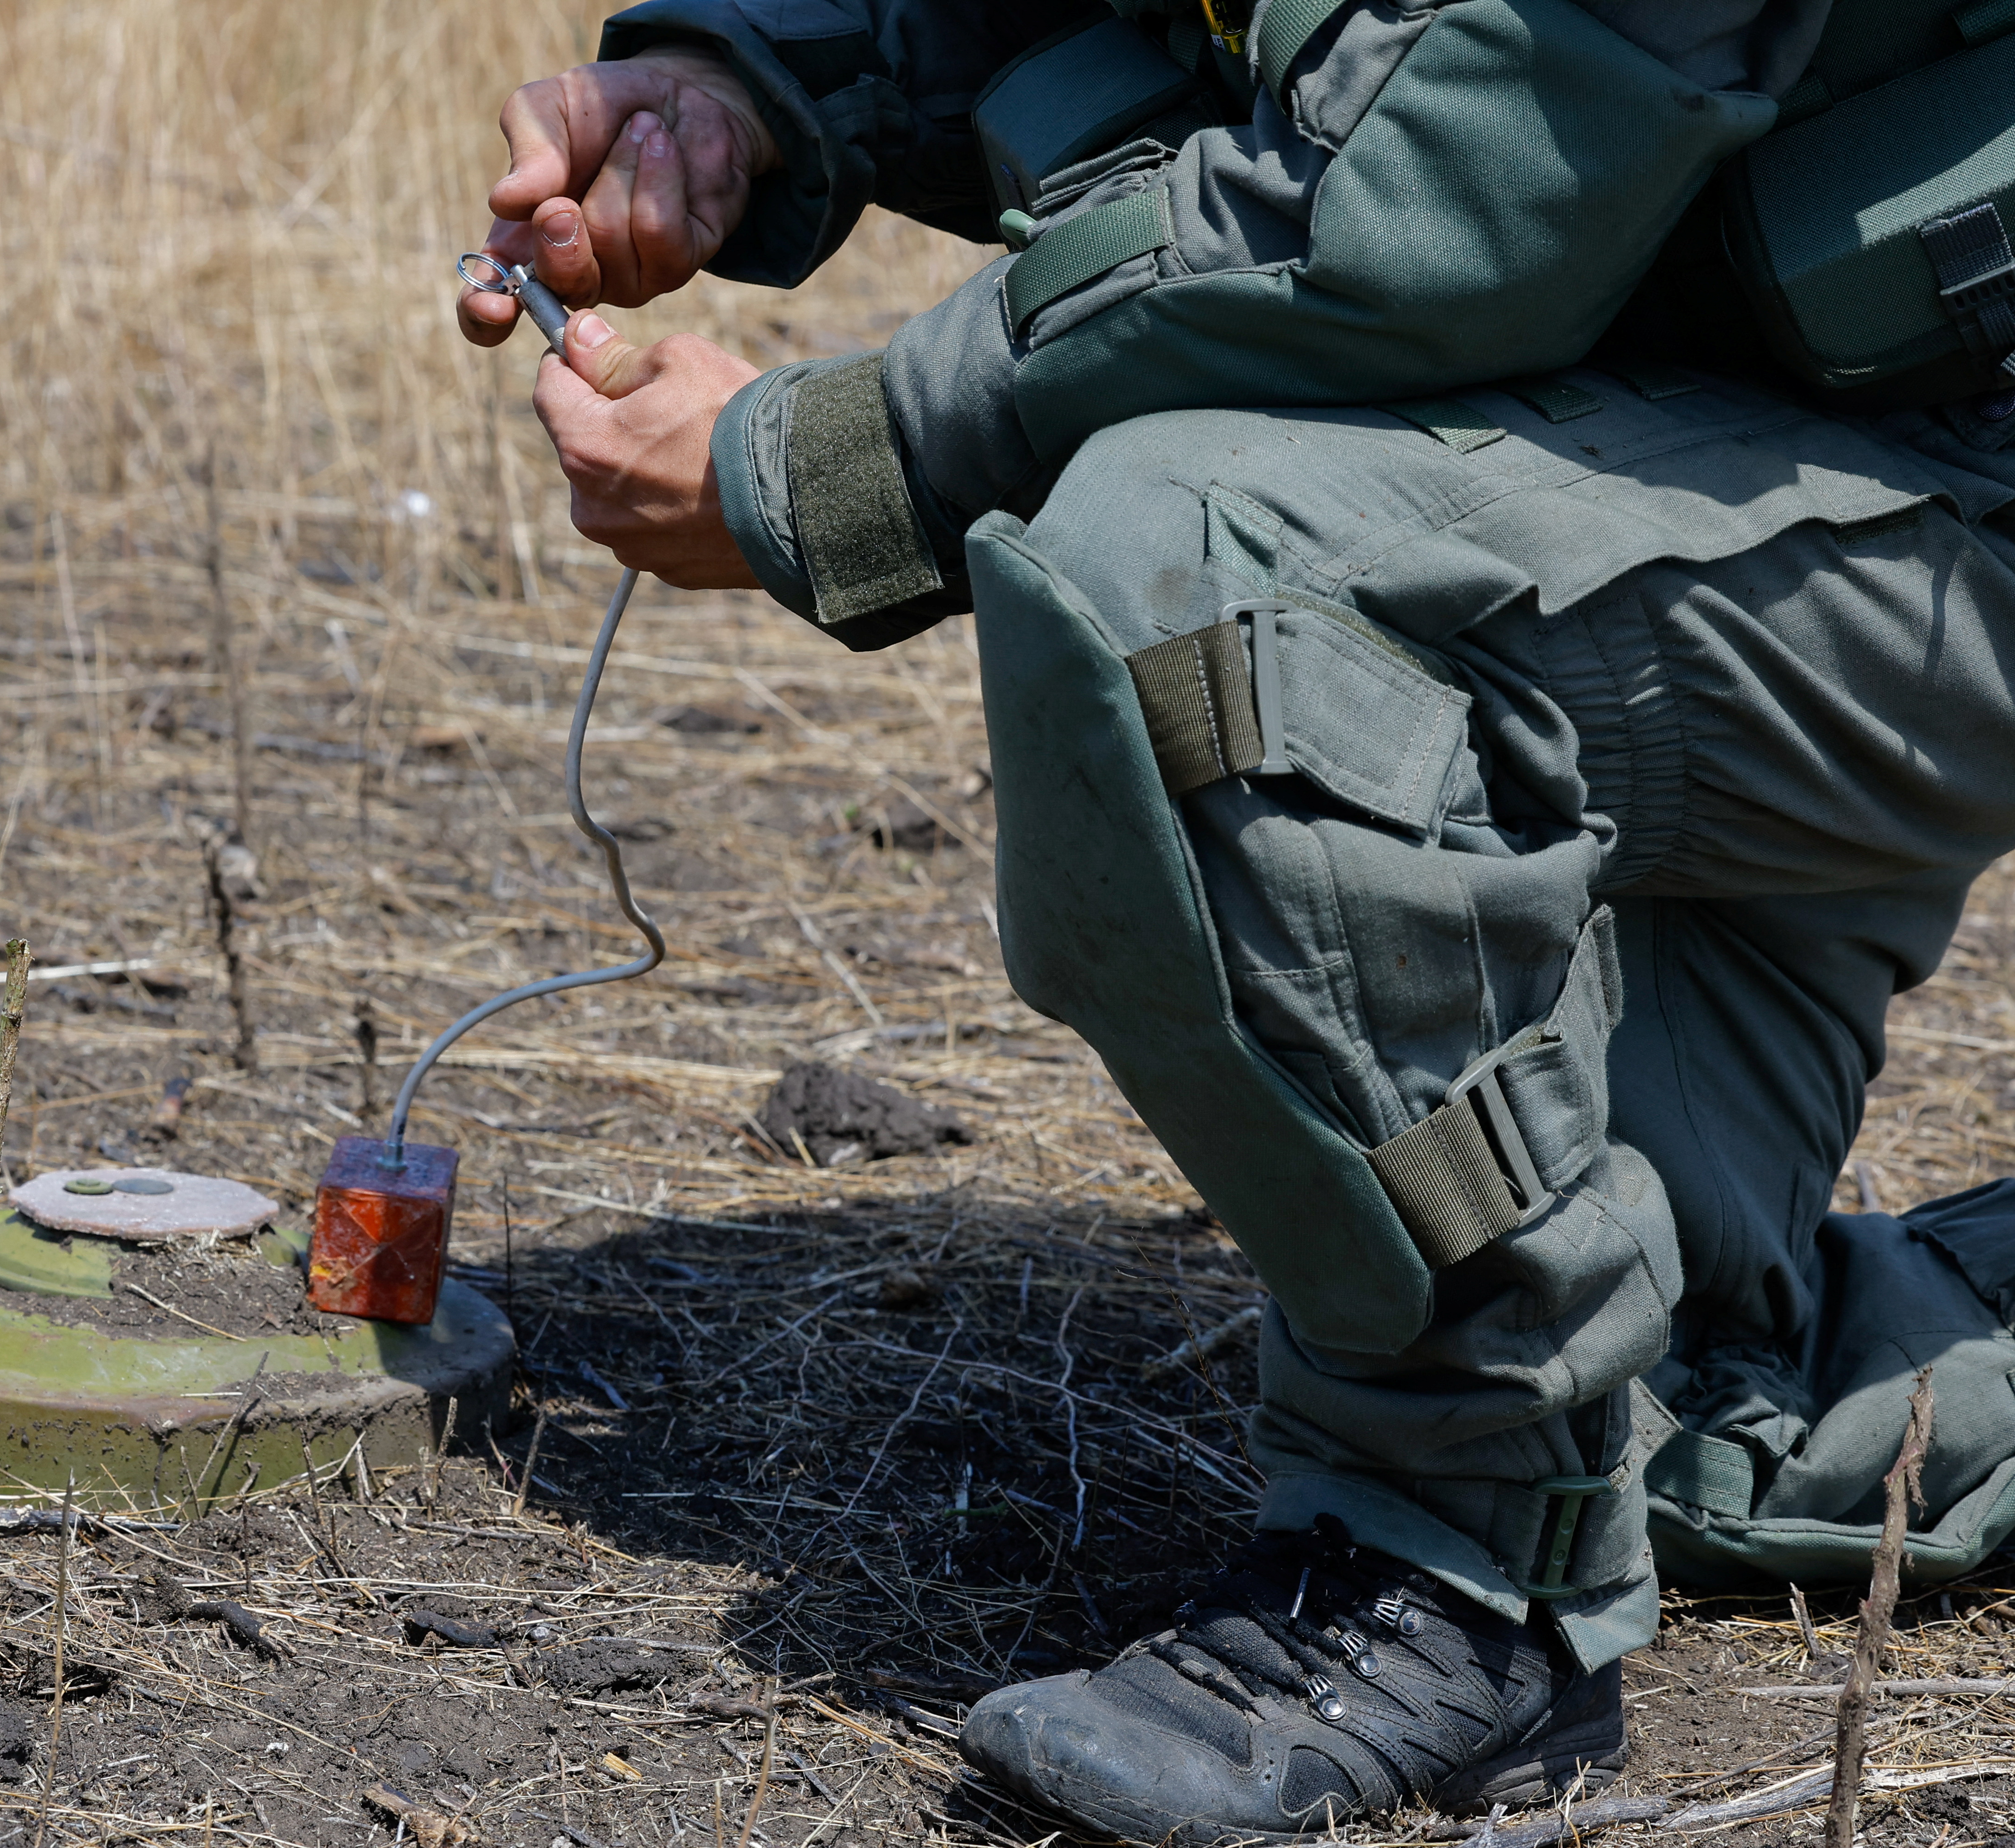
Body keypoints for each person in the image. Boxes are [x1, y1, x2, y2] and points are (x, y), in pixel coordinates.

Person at [461, 0, 2015, 1838]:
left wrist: (825, 466)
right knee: (1675, 1408)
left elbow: (1419, 222)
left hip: (1920, 492)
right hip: (1674, 423)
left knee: (1195, 587)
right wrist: (754, 94)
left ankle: (1451, 1571)